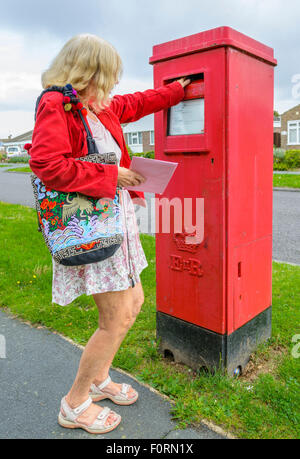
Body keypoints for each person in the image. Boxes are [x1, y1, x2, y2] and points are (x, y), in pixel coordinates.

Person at [28, 33, 190, 434]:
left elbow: (137, 102)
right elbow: (47, 164)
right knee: (115, 318)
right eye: (110, 75)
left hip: (118, 221)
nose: (115, 84)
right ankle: (74, 402)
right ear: (90, 71)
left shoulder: (100, 107)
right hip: (91, 223)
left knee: (133, 304)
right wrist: (112, 174)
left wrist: (177, 91)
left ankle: (99, 381)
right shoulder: (57, 103)